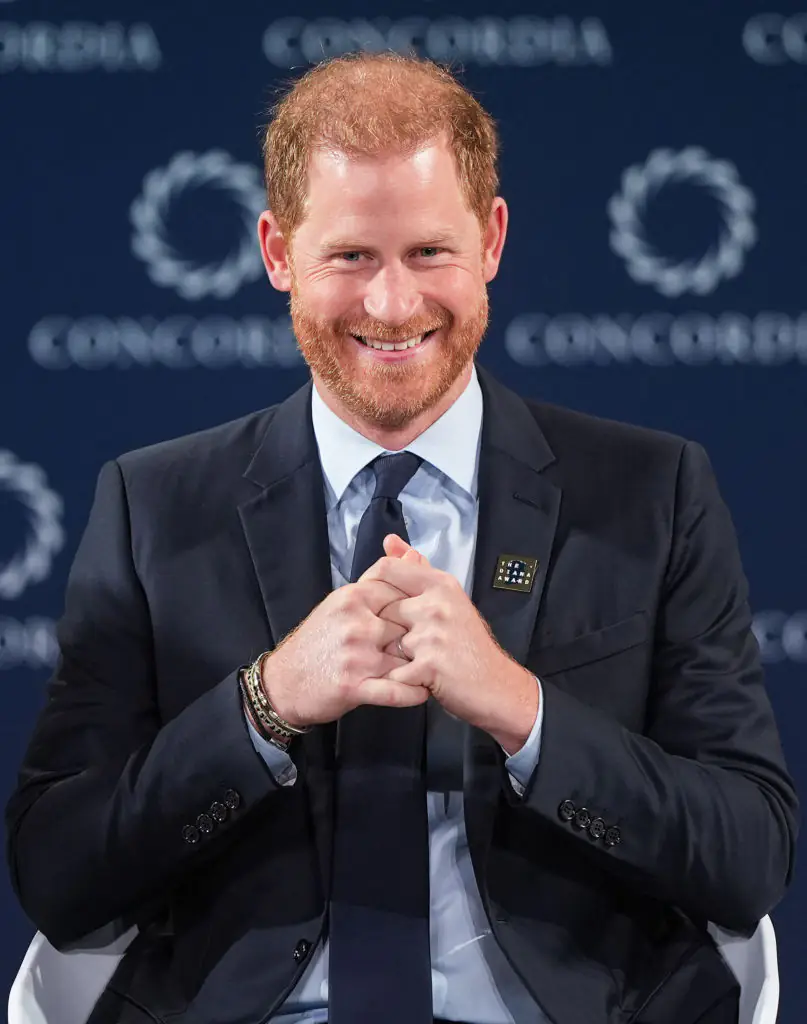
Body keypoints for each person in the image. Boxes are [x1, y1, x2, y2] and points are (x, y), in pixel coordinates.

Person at [5, 52, 798, 1024]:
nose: (391, 305)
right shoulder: (155, 506)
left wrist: (522, 711)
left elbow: (750, 854)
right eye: (350, 257)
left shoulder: (651, 493)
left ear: (494, 239)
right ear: (276, 251)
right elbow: (60, 871)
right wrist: (262, 705)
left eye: (429, 253)